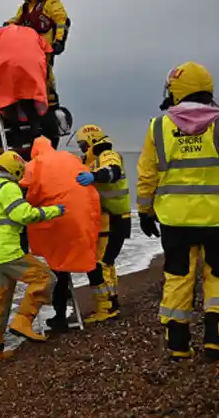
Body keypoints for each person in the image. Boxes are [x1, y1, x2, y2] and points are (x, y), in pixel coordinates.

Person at [136, 61, 219, 361]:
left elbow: (147, 175)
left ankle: (178, 343)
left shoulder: (157, 128)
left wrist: (144, 211)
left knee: (178, 275)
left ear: (174, 90)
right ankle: (218, 338)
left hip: (175, 220)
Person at [0, 151, 65, 360]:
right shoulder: (8, 187)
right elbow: (23, 215)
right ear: (15, 169)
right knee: (45, 278)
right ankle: (23, 321)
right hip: (7, 251)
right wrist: (54, 210)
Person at [20, 136, 103, 333]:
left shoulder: (35, 164)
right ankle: (104, 301)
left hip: (58, 219)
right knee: (85, 254)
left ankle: (60, 317)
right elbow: (86, 181)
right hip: (80, 216)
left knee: (59, 266)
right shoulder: (70, 157)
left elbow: (26, 187)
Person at [74, 124, 133, 323]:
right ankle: (110, 302)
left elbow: (112, 172)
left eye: (83, 144)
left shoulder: (107, 154)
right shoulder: (91, 161)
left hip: (116, 218)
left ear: (91, 140)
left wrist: (94, 177)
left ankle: (107, 307)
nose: (82, 148)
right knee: (105, 261)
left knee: (101, 263)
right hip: (108, 219)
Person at [5, 0, 69, 145]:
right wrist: (7, 26)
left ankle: (50, 108)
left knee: (45, 79)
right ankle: (26, 118)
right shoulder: (25, 7)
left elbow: (61, 20)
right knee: (23, 81)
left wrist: (59, 41)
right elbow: (16, 20)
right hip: (28, 52)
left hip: (44, 50)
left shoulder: (51, 2)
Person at [0, 24, 50, 146]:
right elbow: (47, 49)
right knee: (28, 100)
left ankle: (16, 134)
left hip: (7, 65)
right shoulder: (32, 32)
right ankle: (36, 134)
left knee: (7, 101)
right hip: (31, 65)